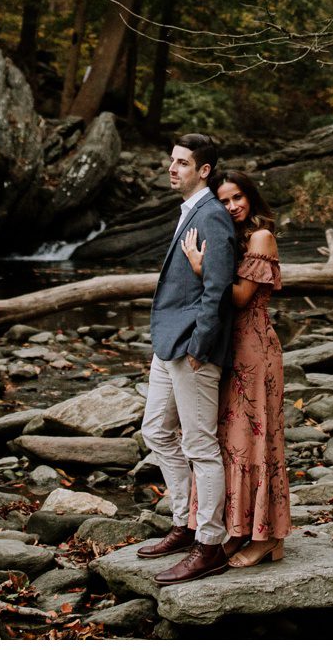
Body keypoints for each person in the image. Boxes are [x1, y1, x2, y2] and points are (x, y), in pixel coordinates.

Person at [136, 133, 241, 585]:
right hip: (169, 344)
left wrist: (200, 345)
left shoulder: (213, 216)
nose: (172, 167)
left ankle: (210, 544)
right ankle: (185, 522)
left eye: (182, 163)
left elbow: (217, 290)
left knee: (200, 445)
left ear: (204, 171)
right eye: (171, 160)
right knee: (155, 429)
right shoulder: (190, 211)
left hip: (192, 348)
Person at [182, 170, 290, 568]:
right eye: (224, 201)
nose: (232, 207)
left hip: (256, 350)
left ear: (252, 197)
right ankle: (242, 529)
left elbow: (243, 297)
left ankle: (268, 537)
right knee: (233, 440)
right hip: (233, 349)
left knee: (258, 440)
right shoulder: (236, 237)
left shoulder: (261, 237)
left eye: (238, 197)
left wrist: (201, 268)